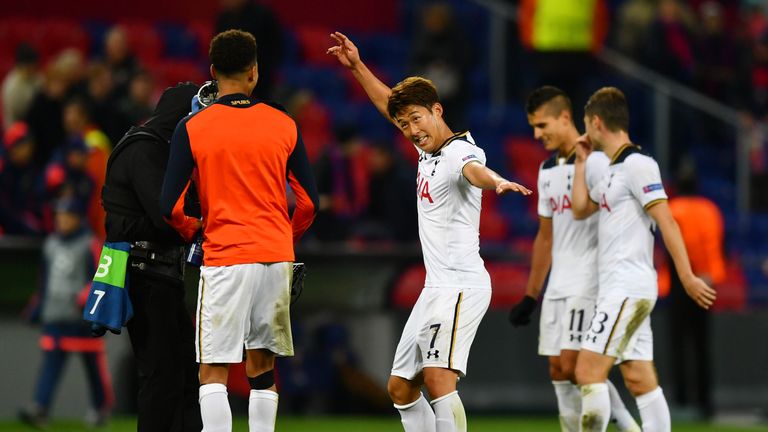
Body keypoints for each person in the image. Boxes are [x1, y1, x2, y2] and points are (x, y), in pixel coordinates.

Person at [327, 31, 532, 432]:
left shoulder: (460, 151)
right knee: (400, 387)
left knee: (438, 378)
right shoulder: (427, 148)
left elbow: (475, 171)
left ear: (437, 110)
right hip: (435, 289)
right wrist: (356, 66)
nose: (410, 129)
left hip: (461, 285)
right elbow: (389, 105)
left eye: (416, 119)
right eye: (403, 124)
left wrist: (498, 182)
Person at [159, 30, 318, 432]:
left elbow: (170, 205)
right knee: (262, 365)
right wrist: (285, 237)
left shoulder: (192, 127)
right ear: (254, 72)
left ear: (213, 72)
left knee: (214, 368)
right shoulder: (284, 123)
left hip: (226, 254)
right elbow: (309, 202)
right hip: (274, 256)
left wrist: (195, 231)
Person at [570, 87, 716, 432]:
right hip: (619, 288)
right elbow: (579, 209)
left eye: (586, 126)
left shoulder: (639, 165)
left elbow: (667, 222)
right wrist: (580, 162)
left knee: (587, 372)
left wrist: (687, 277)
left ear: (596, 122)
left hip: (627, 286)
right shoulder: (609, 169)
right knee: (638, 379)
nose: (585, 133)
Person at [507, 86, 640, 432]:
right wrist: (531, 294)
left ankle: (630, 428)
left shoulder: (597, 159)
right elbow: (545, 236)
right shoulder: (547, 169)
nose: (537, 135)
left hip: (592, 278)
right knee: (558, 369)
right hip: (559, 284)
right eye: (533, 128)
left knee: (576, 366)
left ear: (565, 117)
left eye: (542, 125)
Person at [101, 82, 203, 432]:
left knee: (184, 377)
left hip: (162, 275)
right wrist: (198, 213)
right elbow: (168, 216)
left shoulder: (155, 148)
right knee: (162, 377)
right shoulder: (147, 150)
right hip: (145, 276)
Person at [19, 197, 113, 428]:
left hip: (81, 319)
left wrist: (86, 296)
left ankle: (100, 408)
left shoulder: (90, 243)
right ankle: (39, 408)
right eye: (58, 216)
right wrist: (37, 306)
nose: (61, 221)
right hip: (55, 316)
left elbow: (102, 277)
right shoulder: (50, 244)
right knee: (51, 365)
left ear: (78, 218)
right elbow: (45, 280)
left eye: (66, 216)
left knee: (93, 366)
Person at [666, 165, 726, 420]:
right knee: (702, 345)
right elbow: (718, 245)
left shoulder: (673, 209)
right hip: (707, 281)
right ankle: (705, 402)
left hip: (681, 281)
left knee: (679, 344)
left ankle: (681, 400)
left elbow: (671, 247)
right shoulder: (710, 209)